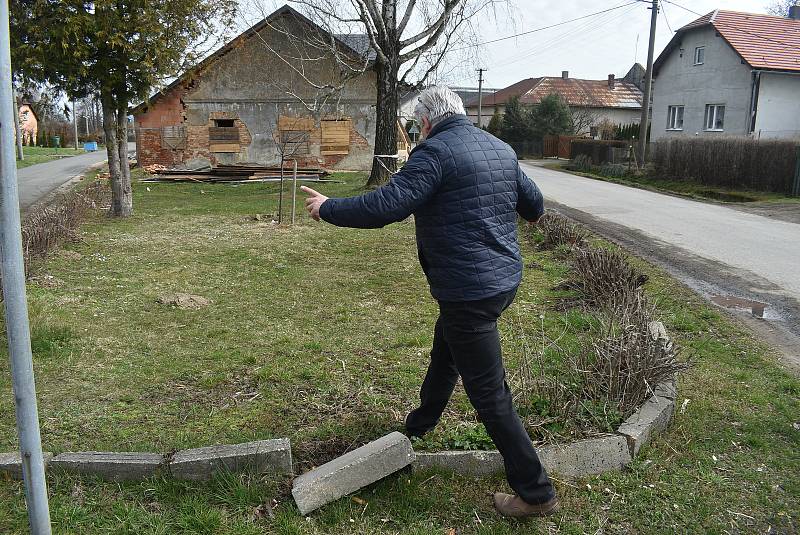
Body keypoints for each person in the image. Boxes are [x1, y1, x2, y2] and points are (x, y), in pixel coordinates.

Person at [301, 86, 558, 518]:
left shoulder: (434, 153)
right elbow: (534, 207)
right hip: (501, 280)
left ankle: (536, 493)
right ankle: (421, 425)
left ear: (424, 122)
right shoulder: (499, 147)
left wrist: (329, 208)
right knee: (448, 346)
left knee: (489, 394)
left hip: (469, 289)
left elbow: (387, 205)